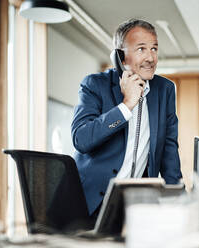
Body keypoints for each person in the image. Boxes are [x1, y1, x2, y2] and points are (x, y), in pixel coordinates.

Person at [71, 19, 182, 219]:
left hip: (137, 207)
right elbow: (81, 139)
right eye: (141, 49)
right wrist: (126, 105)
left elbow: (169, 149)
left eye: (154, 49)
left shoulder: (164, 90)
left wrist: (178, 202)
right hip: (90, 203)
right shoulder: (95, 85)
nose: (151, 57)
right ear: (120, 57)